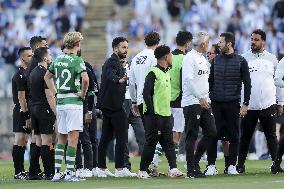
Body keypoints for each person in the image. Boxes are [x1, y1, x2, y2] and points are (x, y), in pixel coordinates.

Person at [237, 29, 284, 174]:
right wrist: (241, 103)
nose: (253, 42)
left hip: (268, 104)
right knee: (245, 136)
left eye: (256, 39)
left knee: (271, 136)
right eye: (252, 39)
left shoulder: (272, 59)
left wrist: (280, 102)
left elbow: (278, 82)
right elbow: (239, 83)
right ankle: (240, 165)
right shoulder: (243, 58)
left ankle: (275, 165)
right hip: (249, 105)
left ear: (263, 41)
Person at [44, 31, 89, 182]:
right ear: (77, 44)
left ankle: (57, 172)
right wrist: (83, 94)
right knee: (73, 138)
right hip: (73, 104)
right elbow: (85, 79)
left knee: (61, 138)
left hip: (61, 104)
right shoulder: (77, 60)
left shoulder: (58, 59)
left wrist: (56, 93)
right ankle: (70, 172)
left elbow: (47, 77)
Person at [206, 32, 251, 175]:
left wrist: (245, 104)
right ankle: (211, 165)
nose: (218, 45)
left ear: (229, 44)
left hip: (233, 103)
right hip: (216, 103)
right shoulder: (215, 60)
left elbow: (248, 84)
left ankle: (231, 165)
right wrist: (208, 98)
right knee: (213, 134)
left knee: (234, 135)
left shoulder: (241, 61)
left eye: (221, 42)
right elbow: (210, 81)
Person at [137, 45, 183, 179]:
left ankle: (173, 170)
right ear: (166, 57)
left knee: (168, 143)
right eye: (171, 55)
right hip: (154, 115)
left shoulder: (166, 72)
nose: (172, 57)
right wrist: (152, 113)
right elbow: (146, 94)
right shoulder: (153, 72)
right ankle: (142, 171)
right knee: (151, 142)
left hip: (166, 114)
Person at [97, 37, 136, 177]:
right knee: (122, 136)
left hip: (109, 105)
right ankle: (120, 168)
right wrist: (119, 79)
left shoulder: (117, 62)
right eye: (123, 47)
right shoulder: (112, 61)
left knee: (106, 137)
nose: (126, 50)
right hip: (114, 106)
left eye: (127, 47)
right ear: (115, 49)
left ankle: (100, 167)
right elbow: (110, 74)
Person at [182, 32, 217, 178]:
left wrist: (205, 98)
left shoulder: (202, 58)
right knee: (192, 136)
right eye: (207, 43)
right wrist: (199, 97)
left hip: (204, 102)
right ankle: (191, 170)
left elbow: (203, 79)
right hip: (192, 102)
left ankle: (195, 162)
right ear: (203, 44)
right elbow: (189, 81)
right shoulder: (189, 58)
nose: (208, 45)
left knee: (212, 132)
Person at [128, 31, 161, 173]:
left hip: (140, 101)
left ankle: (149, 167)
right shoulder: (156, 57)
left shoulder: (136, 58)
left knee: (151, 134)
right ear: (158, 42)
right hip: (153, 100)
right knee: (153, 136)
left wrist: (134, 100)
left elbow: (131, 82)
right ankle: (146, 168)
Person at [29, 47, 56, 180]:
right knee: (47, 141)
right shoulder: (46, 73)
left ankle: (33, 171)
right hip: (44, 109)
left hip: (34, 109)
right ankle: (49, 172)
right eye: (50, 54)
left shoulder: (33, 72)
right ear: (45, 58)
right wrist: (56, 112)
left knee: (38, 141)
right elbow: (49, 95)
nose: (51, 56)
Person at [26, 36, 48, 179]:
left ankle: (34, 170)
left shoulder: (32, 64)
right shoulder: (36, 65)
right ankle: (43, 170)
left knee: (36, 139)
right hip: (39, 106)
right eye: (45, 45)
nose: (47, 48)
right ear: (38, 47)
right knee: (41, 139)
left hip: (34, 106)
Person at [11, 47, 33, 179]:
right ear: (22, 58)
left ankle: (24, 170)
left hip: (29, 110)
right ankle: (18, 171)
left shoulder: (29, 73)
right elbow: (21, 98)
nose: (31, 58)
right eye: (29, 56)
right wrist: (26, 115)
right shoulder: (19, 75)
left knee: (25, 140)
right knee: (20, 139)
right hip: (21, 111)